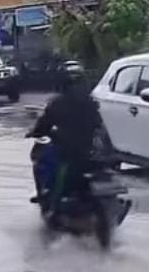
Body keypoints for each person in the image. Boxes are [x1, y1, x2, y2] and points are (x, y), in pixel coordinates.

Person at [26, 69, 101, 209]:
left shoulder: (57, 103)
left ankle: (49, 196)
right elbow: (98, 124)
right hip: (89, 150)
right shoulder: (91, 102)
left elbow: (44, 124)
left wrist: (35, 132)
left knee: (45, 160)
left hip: (68, 150)